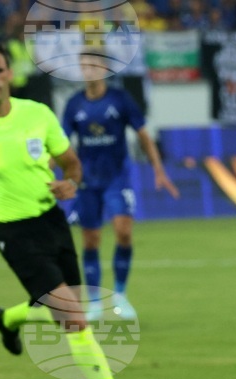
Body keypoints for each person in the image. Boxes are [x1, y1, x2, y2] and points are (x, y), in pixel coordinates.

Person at [0, 43, 151, 379]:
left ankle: (7, 320)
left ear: (9, 75)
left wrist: (71, 183)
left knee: (63, 309)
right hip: (14, 233)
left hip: (52, 223)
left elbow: (72, 165)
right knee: (73, 315)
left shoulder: (37, 115)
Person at [61, 51, 179, 321]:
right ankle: (93, 303)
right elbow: (62, 145)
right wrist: (58, 172)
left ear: (104, 68)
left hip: (117, 178)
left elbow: (143, 136)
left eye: (93, 64)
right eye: (84, 66)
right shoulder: (73, 104)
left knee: (123, 232)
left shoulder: (120, 99)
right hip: (87, 181)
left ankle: (121, 296)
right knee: (91, 239)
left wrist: (158, 170)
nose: (88, 70)